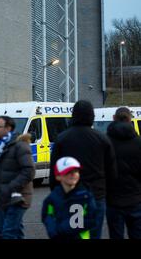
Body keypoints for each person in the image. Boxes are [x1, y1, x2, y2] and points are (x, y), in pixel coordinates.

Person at [49, 100, 117, 239]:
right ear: (92, 116)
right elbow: (112, 173)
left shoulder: (62, 139)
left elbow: (54, 172)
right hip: (96, 195)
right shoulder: (102, 139)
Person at [0, 115, 35, 239]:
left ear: (8, 128)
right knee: (16, 231)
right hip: (6, 197)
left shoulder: (20, 146)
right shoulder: (0, 146)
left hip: (18, 197)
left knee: (8, 233)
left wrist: (9, 188)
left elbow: (29, 171)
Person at [106, 107, 141, 239]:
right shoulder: (138, 143)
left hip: (113, 200)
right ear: (130, 120)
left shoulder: (106, 142)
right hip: (136, 198)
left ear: (114, 118)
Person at [42, 157, 97, 239]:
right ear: (58, 176)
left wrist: (68, 227)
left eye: (76, 171)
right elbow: (47, 218)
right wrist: (55, 231)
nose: (73, 174)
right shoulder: (51, 199)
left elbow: (92, 219)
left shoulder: (86, 197)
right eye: (68, 172)